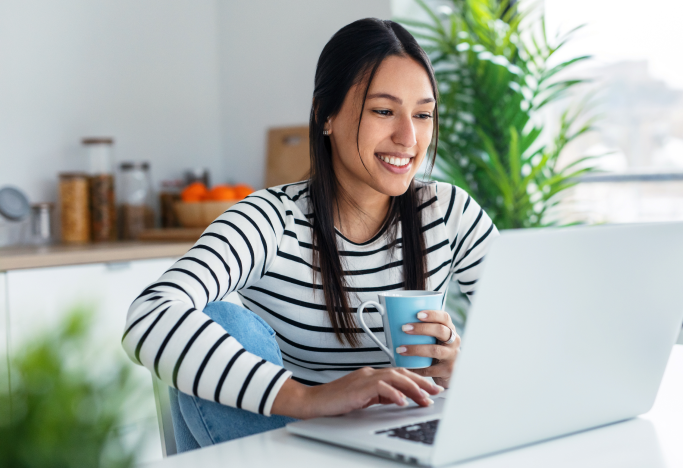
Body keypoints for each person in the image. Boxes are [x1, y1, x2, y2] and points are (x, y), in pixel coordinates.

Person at [122, 17, 498, 452]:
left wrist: (462, 368)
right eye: (383, 111)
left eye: (423, 114)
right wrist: (306, 399)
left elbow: (537, 336)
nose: (408, 137)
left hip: (404, 443)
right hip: (289, 446)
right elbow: (149, 315)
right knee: (223, 321)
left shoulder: (448, 212)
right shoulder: (271, 220)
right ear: (325, 116)